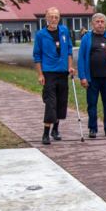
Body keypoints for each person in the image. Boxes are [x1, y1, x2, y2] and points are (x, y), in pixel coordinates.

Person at [32, 8, 76, 145]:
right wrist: (40, 74)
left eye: (56, 17)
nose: (54, 19)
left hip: (63, 71)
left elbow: (69, 50)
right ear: (46, 18)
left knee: (61, 101)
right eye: (51, 16)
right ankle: (45, 133)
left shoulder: (64, 31)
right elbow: (37, 55)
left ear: (59, 18)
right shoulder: (41, 35)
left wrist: (70, 66)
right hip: (49, 72)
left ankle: (55, 130)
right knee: (50, 102)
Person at [77, 13, 106, 139]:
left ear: (105, 24)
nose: (100, 24)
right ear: (92, 24)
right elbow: (81, 58)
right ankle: (92, 128)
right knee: (92, 104)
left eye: (102, 22)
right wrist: (82, 77)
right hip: (92, 78)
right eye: (97, 22)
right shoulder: (87, 38)